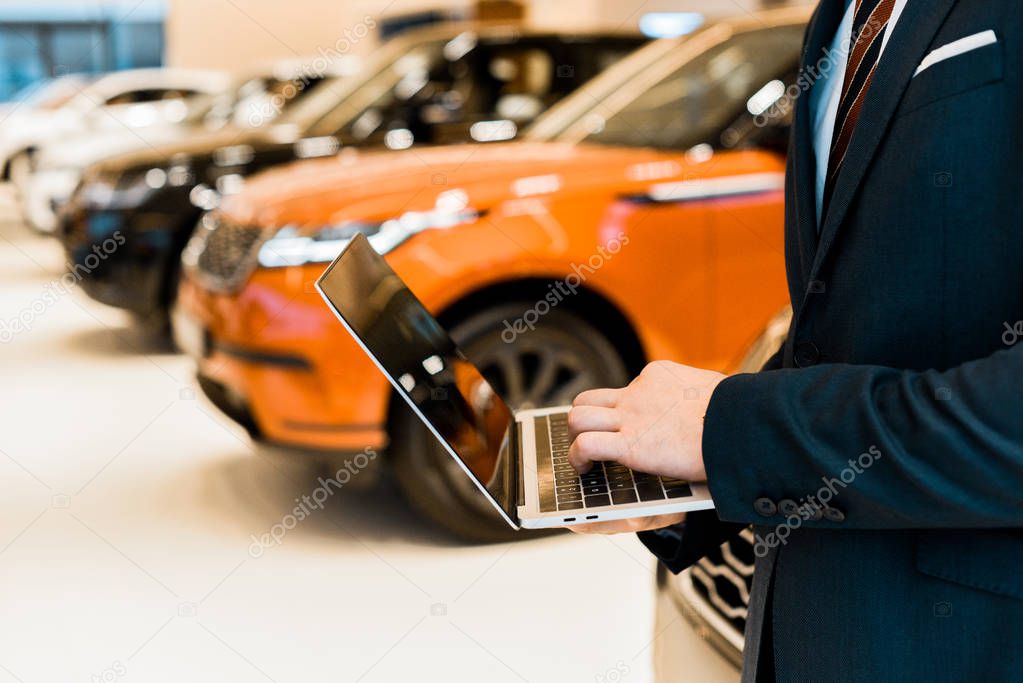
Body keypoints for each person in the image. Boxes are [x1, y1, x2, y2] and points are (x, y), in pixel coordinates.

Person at [566, 0, 1023, 680]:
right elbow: (849, 329)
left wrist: (733, 430)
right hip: (810, 618)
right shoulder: (837, 16)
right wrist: (683, 469)